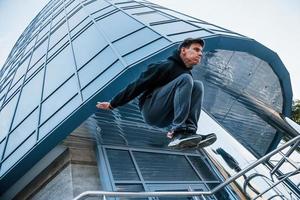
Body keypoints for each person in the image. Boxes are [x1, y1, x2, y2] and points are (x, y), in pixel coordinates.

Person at [96, 37, 216, 148]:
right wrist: (113, 104)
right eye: (196, 49)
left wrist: (173, 129)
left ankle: (187, 132)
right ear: (183, 50)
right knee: (186, 79)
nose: (200, 53)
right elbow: (137, 85)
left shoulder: (187, 75)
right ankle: (180, 132)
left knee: (198, 86)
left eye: (201, 51)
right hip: (150, 110)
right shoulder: (165, 65)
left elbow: (182, 104)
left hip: (165, 119)